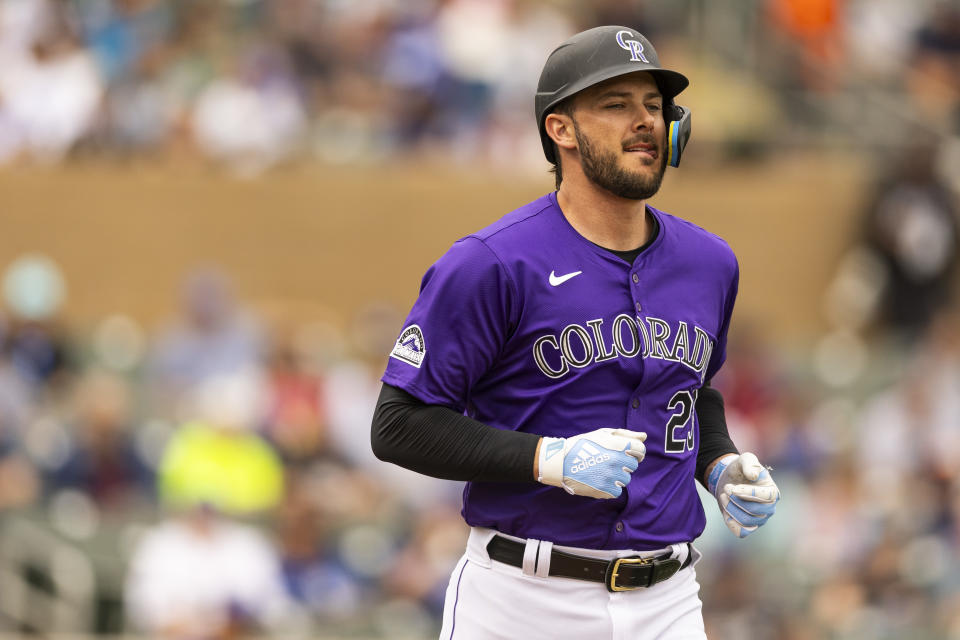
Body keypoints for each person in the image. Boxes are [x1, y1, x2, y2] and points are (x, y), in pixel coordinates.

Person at [371, 26, 780, 639]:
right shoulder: (492, 262)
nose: (643, 120)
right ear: (561, 129)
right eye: (615, 104)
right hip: (522, 598)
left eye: (654, 105)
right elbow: (398, 424)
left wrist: (719, 464)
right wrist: (547, 457)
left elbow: (690, 391)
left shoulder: (710, 262)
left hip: (668, 601)